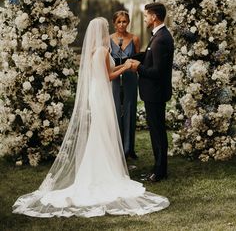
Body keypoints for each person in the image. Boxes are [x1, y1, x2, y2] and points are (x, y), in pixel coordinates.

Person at [12, 17, 169, 218]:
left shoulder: (93, 51)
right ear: (101, 31)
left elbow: (104, 73)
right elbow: (109, 76)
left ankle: (96, 167)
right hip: (102, 93)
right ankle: (104, 170)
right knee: (104, 129)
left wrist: (124, 66)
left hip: (96, 92)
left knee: (99, 130)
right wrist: (127, 66)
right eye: (105, 28)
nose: (107, 31)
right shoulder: (103, 51)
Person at [131, 3, 174, 182]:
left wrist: (137, 67)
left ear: (154, 16)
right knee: (156, 131)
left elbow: (157, 71)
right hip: (153, 93)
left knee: (157, 132)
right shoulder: (159, 35)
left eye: (146, 15)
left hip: (155, 93)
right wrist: (131, 59)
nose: (145, 18)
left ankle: (160, 171)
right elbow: (149, 55)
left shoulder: (162, 38)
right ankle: (158, 167)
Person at [110, 11, 139, 159]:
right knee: (114, 110)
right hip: (114, 80)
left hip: (130, 79)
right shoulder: (108, 40)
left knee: (129, 110)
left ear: (128, 22)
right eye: (119, 22)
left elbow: (137, 60)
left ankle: (128, 149)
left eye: (125, 21)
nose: (122, 24)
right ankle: (116, 148)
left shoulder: (134, 39)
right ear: (114, 23)